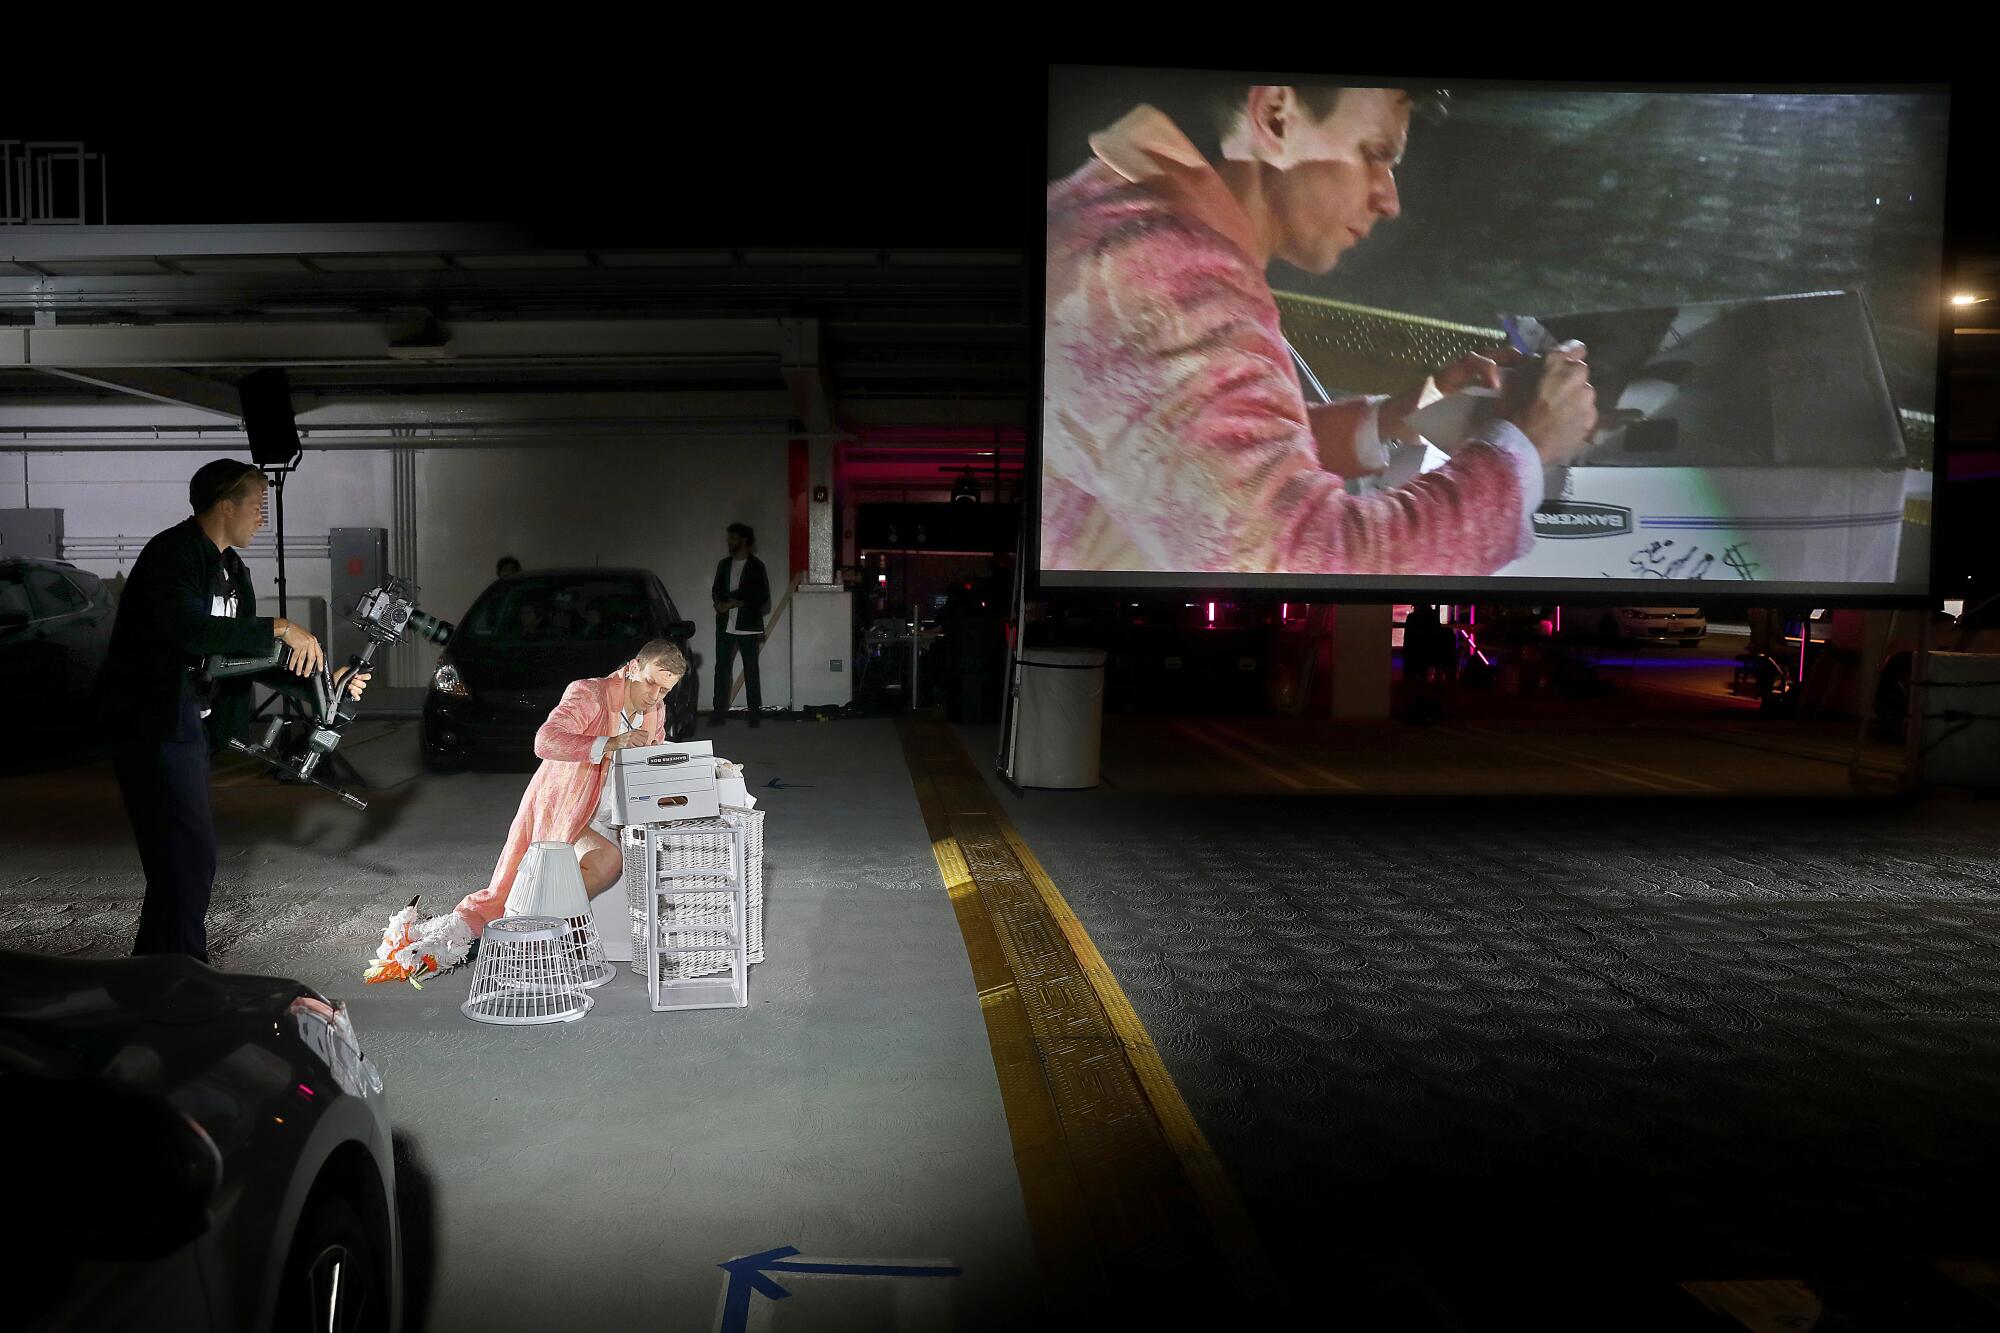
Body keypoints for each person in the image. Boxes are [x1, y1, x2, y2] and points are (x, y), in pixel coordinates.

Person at [1043, 83, 1599, 575]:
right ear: (1276, 118)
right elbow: (1305, 560)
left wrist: (1390, 417)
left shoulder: (1139, 213)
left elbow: (1198, 458)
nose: (1389, 200)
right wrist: (1521, 449)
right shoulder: (1163, 286)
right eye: (1374, 155)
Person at [100, 458, 369, 962]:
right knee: (185, 857)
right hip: (153, 725)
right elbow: (190, 630)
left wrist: (321, 683)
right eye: (257, 506)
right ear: (226, 505)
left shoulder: (232, 569)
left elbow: (243, 657)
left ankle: (158, 972)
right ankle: (183, 972)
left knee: (179, 861)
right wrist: (279, 625)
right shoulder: (172, 555)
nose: (262, 518)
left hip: (190, 730)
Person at [375, 639, 686, 971]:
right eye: (652, 682)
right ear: (633, 668)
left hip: (617, 815)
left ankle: (540, 928)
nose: (655, 696)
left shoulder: (655, 711)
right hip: (569, 810)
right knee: (605, 862)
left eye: (665, 691)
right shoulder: (590, 693)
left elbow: (652, 756)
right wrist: (610, 743)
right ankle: (533, 934)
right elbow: (545, 740)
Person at [710, 522, 771, 728]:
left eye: (733, 537)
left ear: (744, 540)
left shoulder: (756, 566)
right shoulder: (724, 565)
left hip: (748, 626)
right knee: (722, 670)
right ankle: (718, 714)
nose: (729, 541)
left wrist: (736, 601)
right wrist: (719, 603)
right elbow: (716, 590)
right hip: (725, 625)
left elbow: (761, 597)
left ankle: (754, 715)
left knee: (751, 670)